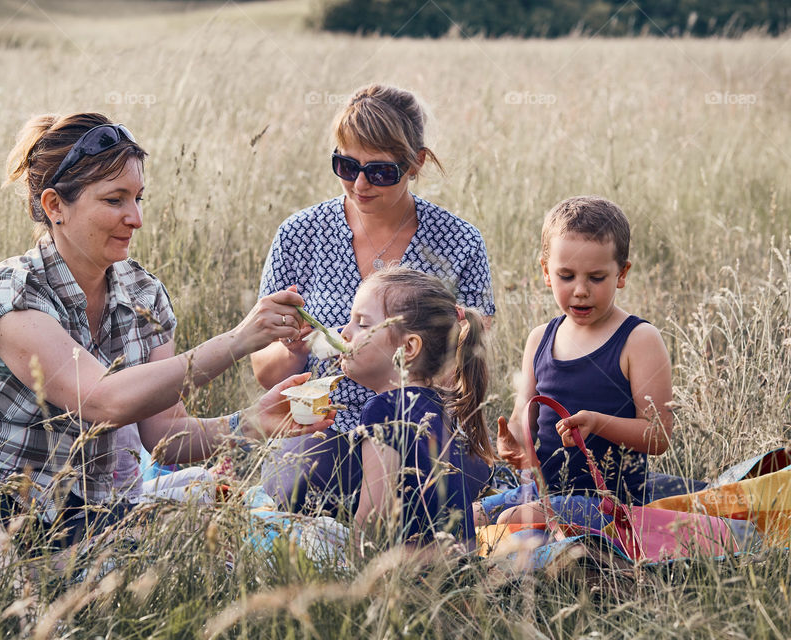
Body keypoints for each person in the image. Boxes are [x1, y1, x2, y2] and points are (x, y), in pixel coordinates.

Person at [0, 113, 331, 564]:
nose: (136, 218)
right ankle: (7, 588)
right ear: (54, 206)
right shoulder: (12, 293)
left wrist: (251, 424)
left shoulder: (144, 294)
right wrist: (238, 340)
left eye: (138, 198)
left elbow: (164, 437)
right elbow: (101, 399)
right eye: (115, 200)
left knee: (198, 527)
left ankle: (43, 579)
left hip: (85, 518)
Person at [251, 84, 495, 513]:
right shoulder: (299, 235)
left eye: (380, 172)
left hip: (419, 427)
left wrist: (396, 385)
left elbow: (465, 360)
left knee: (443, 490)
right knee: (299, 487)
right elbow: (268, 374)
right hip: (324, 427)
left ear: (416, 163)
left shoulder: (459, 241)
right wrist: (292, 347)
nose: (360, 184)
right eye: (345, 165)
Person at [477, 195, 673, 530]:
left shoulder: (638, 339)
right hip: (543, 491)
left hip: (612, 501)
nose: (580, 290)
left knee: (512, 521)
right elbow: (525, 415)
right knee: (471, 516)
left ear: (622, 274)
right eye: (566, 276)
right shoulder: (540, 339)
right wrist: (512, 440)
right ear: (546, 272)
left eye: (596, 278)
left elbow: (658, 436)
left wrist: (597, 423)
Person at [339, 267, 494, 544]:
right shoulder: (443, 406)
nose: (344, 332)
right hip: (459, 569)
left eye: (361, 323)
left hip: (412, 569)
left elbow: (375, 514)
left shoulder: (383, 409)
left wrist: (349, 566)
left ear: (408, 348)